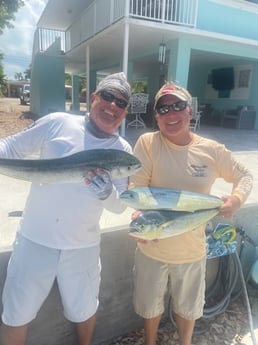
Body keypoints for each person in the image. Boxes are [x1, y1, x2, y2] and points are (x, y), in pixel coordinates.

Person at [0, 72, 132, 345]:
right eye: (107, 96)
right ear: (93, 98)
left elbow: (121, 206)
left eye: (120, 102)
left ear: (125, 112)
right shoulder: (58, 122)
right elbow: (11, 147)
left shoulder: (122, 150)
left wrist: (107, 194)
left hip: (82, 247)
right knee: (16, 314)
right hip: (34, 241)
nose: (112, 106)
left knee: (84, 310)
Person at [129, 81, 253, 345]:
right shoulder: (147, 143)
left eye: (178, 106)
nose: (171, 114)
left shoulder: (211, 150)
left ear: (190, 112)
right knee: (150, 307)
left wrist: (236, 200)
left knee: (188, 309)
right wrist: (138, 217)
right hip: (153, 248)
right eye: (163, 109)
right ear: (156, 116)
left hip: (192, 251)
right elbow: (137, 188)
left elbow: (244, 175)